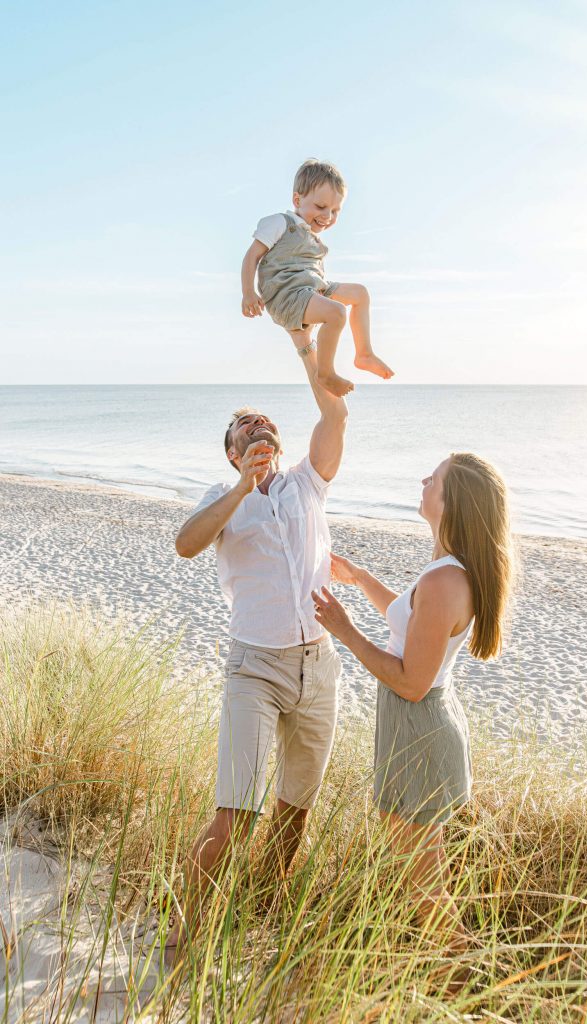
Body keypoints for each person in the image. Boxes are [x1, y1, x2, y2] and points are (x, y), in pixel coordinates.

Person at [166, 339, 347, 961]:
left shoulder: (306, 485)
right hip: (255, 668)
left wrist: (311, 356)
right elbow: (187, 545)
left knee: (293, 812)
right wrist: (242, 488)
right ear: (232, 451)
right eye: (246, 427)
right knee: (235, 813)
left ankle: (259, 915)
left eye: (265, 422)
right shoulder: (223, 496)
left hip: (319, 666)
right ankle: (183, 933)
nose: (259, 427)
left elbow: (335, 419)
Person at [312, 452, 513, 972]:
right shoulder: (445, 571)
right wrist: (359, 578)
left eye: (435, 478)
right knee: (414, 871)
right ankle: (435, 971)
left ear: (453, 504)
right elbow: (408, 620)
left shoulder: (447, 581)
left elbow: (411, 679)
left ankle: (464, 979)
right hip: (414, 728)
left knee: (422, 883)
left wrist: (344, 628)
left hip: (420, 729)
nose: (424, 480)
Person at [240, 158, 394, 398]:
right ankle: (325, 372)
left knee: (359, 293)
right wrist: (249, 293)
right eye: (321, 207)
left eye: (335, 211)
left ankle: (364, 353)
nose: (328, 216)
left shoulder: (311, 236)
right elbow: (251, 257)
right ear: (297, 200)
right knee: (336, 312)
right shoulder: (280, 223)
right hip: (286, 295)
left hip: (311, 288)